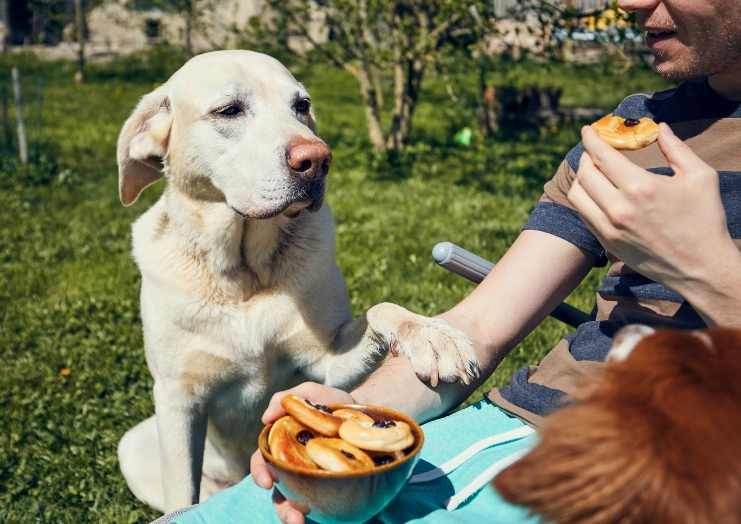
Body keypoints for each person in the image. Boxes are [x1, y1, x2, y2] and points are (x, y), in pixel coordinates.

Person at [161, 0, 741, 522]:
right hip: (520, 429)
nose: (631, 2)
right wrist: (360, 416)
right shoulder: (631, 131)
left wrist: (706, 271)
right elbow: (481, 327)